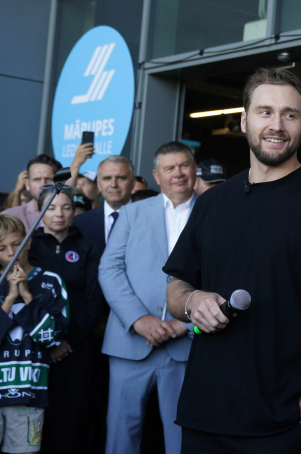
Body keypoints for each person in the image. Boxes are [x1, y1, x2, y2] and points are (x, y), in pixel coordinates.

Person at [164, 68, 301, 454]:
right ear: (244, 120)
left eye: (290, 114)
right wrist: (193, 302)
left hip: (280, 428)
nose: (277, 125)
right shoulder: (211, 203)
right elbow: (175, 290)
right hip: (202, 417)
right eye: (265, 112)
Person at [99, 142, 198, 454]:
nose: (178, 174)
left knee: (183, 435)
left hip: (187, 344)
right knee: (121, 434)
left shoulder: (215, 211)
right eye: (170, 168)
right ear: (157, 175)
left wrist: (188, 323)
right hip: (131, 342)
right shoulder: (131, 213)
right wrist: (139, 320)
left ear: (193, 169)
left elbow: (226, 274)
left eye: (184, 165)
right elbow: (109, 269)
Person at [28, 190, 105, 454]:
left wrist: (65, 341)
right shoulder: (28, 247)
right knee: (30, 422)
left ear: (74, 211)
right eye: (50, 208)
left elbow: (95, 300)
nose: (58, 214)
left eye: (66, 207)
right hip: (35, 348)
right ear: (39, 211)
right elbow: (23, 300)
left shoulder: (89, 247)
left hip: (75, 346)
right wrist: (47, 341)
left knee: (70, 420)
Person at [0, 215, 70, 454]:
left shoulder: (51, 281)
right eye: (2, 248)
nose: (12, 253)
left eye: (16, 244)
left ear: (28, 242)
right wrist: (9, 299)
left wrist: (27, 296)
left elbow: (52, 338)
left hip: (30, 391)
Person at [72, 156, 135, 251]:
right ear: (98, 185)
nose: (113, 185)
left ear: (133, 183)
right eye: (107, 178)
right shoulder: (80, 223)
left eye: (121, 178)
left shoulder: (148, 220)